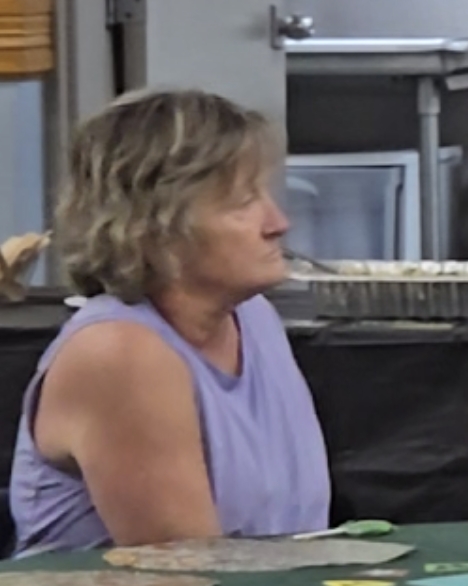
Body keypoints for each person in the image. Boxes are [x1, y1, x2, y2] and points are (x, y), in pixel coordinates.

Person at [9, 90, 328, 554]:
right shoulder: (120, 354)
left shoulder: (255, 318)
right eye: (243, 202)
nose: (278, 223)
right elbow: (191, 570)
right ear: (157, 229)